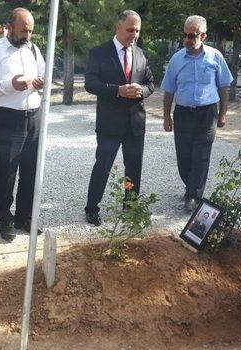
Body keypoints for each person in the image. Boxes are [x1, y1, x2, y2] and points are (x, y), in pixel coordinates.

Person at [84, 10, 155, 226]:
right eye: (130, 29)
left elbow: (151, 84)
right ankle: (91, 208)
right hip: (109, 124)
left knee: (134, 168)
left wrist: (141, 91)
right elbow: (90, 84)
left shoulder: (141, 54)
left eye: (137, 31)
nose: (134, 34)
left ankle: (130, 207)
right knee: (102, 167)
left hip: (135, 124)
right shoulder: (99, 53)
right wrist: (118, 90)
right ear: (118, 27)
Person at [0, 8, 45, 242]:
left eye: (30, 30)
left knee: (30, 169)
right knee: (7, 171)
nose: (27, 35)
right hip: (9, 117)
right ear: (10, 26)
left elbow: (43, 76)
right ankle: (4, 219)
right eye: (23, 30)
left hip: (34, 116)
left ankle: (24, 217)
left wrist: (39, 83)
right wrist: (10, 85)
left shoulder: (34, 50)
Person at [161, 15, 233, 212]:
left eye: (192, 35)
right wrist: (167, 116)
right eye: (184, 35)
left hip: (207, 113)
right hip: (183, 113)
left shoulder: (215, 57)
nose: (187, 40)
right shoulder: (176, 59)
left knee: (201, 156)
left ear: (203, 35)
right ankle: (190, 187)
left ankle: (193, 195)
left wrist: (223, 114)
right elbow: (169, 89)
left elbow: (224, 86)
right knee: (184, 156)